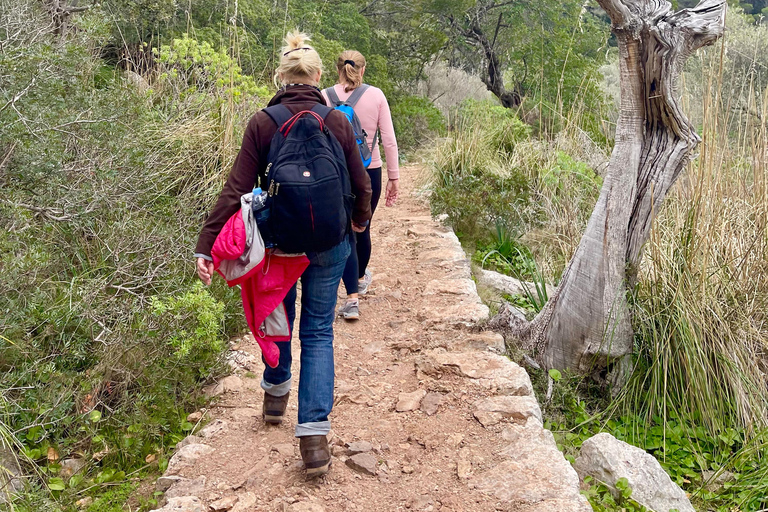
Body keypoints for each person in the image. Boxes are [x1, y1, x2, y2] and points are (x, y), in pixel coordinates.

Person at [194, 31, 372, 478]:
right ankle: (313, 437)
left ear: (282, 76)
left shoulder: (263, 122)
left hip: (278, 243)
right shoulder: (336, 120)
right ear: (316, 76)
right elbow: (361, 183)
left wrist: (206, 245)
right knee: (317, 332)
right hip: (330, 243)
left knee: (279, 313)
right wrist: (357, 222)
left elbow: (236, 189)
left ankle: (275, 395)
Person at [322, 50, 400, 321]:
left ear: (337, 69)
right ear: (363, 70)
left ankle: (337, 286)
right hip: (369, 171)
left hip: (332, 174)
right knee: (361, 228)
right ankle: (358, 280)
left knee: (340, 232)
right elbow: (388, 140)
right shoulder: (376, 96)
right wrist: (394, 176)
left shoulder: (323, 96)